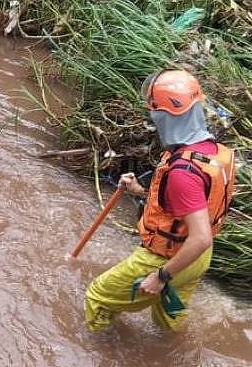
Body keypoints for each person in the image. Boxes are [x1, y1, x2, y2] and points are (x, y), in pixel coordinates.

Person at [85, 69, 235, 331]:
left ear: (163, 116)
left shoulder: (182, 172)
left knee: (98, 296)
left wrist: (160, 276)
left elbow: (200, 237)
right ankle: (170, 358)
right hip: (198, 260)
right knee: (169, 322)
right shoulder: (216, 153)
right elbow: (187, 209)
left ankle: (94, 354)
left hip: (168, 258)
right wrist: (139, 191)